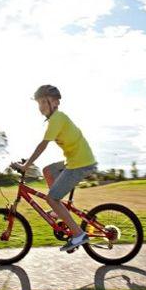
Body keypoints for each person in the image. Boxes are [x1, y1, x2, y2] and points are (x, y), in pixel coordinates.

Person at [14, 85, 97, 252]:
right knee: (48, 171)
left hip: (79, 163)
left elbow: (43, 144)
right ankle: (59, 210)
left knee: (51, 198)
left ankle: (78, 234)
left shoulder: (57, 118)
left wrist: (25, 166)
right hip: (76, 161)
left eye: (44, 102)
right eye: (39, 103)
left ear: (55, 102)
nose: (41, 107)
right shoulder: (56, 119)